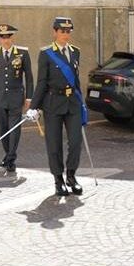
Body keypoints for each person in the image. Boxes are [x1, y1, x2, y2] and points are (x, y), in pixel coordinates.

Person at [29, 17, 86, 196]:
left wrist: (81, 101)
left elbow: (75, 80)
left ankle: (71, 176)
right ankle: (58, 180)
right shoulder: (46, 53)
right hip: (53, 103)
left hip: (73, 104)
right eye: (62, 31)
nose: (65, 35)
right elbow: (42, 82)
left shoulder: (75, 52)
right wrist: (34, 106)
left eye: (68, 31)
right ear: (55, 32)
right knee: (54, 145)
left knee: (76, 142)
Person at [0, 24, 33, 174]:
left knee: (14, 129)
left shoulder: (22, 53)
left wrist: (29, 98)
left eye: (8, 36)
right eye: (2, 37)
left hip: (16, 98)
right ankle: (8, 155)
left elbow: (29, 78)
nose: (5, 40)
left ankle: (10, 159)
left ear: (13, 37)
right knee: (2, 130)